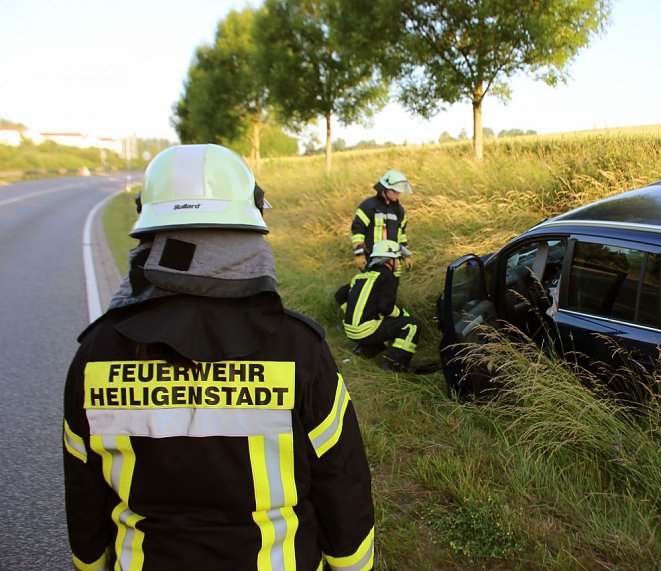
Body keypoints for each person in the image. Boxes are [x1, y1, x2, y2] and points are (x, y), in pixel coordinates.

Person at [62, 144, 374, 571]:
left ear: (149, 234)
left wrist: (91, 566)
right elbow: (341, 482)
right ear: (249, 231)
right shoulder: (298, 348)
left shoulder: (96, 353)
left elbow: (84, 494)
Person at [335, 240, 420, 372]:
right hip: (366, 330)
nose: (399, 264)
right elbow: (386, 307)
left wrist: (350, 313)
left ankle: (363, 351)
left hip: (351, 330)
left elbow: (340, 295)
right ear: (389, 260)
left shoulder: (361, 276)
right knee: (412, 324)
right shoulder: (388, 277)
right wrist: (403, 314)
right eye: (398, 259)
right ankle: (394, 366)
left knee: (386, 325)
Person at [351, 169, 413, 274]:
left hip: (393, 263)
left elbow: (401, 235)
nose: (397, 194)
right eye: (394, 191)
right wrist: (359, 254)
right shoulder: (368, 206)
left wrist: (407, 255)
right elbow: (358, 231)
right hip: (372, 261)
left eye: (399, 192)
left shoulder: (399, 211)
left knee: (390, 289)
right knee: (371, 288)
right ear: (384, 189)